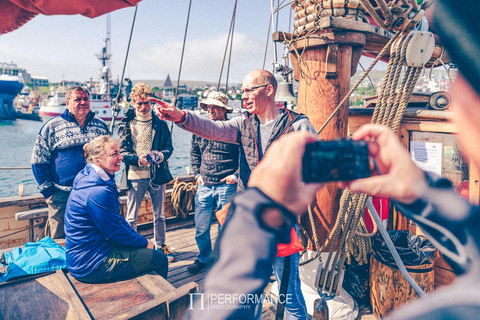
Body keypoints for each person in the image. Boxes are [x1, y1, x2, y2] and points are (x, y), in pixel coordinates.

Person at [193, 0, 480, 319]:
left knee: (290, 291)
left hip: (279, 227)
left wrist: (254, 216)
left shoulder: (448, 312)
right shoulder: (243, 124)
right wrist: (425, 193)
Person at [153, 69, 316, 319]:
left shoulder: (298, 124)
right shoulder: (243, 123)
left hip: (281, 219)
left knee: (289, 292)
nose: (244, 96)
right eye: (242, 91)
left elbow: (314, 167)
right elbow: (211, 128)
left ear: (269, 90)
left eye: (249, 89)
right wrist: (181, 117)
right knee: (244, 295)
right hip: (249, 219)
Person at [65, 136, 168, 283]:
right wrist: (146, 243)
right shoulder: (98, 191)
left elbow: (115, 221)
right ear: (97, 160)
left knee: (141, 248)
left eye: (119, 153)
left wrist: (138, 240)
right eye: (114, 154)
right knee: (160, 259)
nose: (120, 157)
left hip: (86, 253)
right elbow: (115, 232)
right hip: (91, 264)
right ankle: (162, 302)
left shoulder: (91, 175)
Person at [31, 86, 110, 239]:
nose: (83, 102)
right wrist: (48, 193)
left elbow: (110, 158)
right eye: (77, 99)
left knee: (92, 235)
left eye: (86, 99)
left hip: (93, 194)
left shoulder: (100, 126)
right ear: (67, 103)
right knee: (58, 238)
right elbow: (38, 160)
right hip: (61, 195)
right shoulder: (51, 126)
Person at [118, 83, 174, 261]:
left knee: (160, 215)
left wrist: (161, 155)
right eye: (139, 103)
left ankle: (160, 245)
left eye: (146, 103)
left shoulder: (160, 123)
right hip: (135, 176)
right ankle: (132, 248)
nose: (143, 107)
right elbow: (123, 151)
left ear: (151, 103)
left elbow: (168, 147)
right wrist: (138, 159)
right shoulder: (126, 124)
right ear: (132, 103)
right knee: (131, 217)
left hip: (157, 175)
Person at [188, 92, 239, 274]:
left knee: (225, 227)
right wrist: (196, 174)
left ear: (224, 109)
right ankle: (203, 257)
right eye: (208, 106)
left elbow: (245, 157)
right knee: (201, 227)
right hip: (204, 184)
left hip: (227, 185)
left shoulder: (234, 128)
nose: (210, 109)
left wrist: (236, 175)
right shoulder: (200, 129)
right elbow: (194, 153)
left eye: (214, 106)